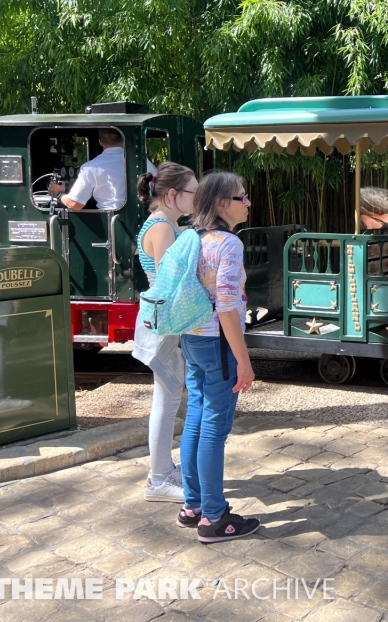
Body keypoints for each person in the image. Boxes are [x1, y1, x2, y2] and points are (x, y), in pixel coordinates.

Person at [178, 171, 259, 543]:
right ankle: (214, 517)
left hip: (192, 338)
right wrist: (243, 360)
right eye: (242, 197)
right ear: (222, 203)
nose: (247, 203)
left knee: (196, 416)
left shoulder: (190, 237)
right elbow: (227, 307)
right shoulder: (228, 244)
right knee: (214, 428)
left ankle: (192, 505)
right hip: (218, 342)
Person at [134, 162, 198, 503]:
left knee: (168, 397)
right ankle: (158, 479)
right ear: (173, 195)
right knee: (168, 398)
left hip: (160, 321)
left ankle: (163, 470)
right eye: (193, 192)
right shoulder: (163, 228)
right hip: (164, 323)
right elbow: (169, 283)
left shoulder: (163, 225)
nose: (197, 197)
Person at [47, 128, 154, 210]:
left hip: (109, 224)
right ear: (123, 139)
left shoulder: (90, 167)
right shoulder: (145, 163)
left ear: (100, 142)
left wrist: (58, 193)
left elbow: (75, 204)